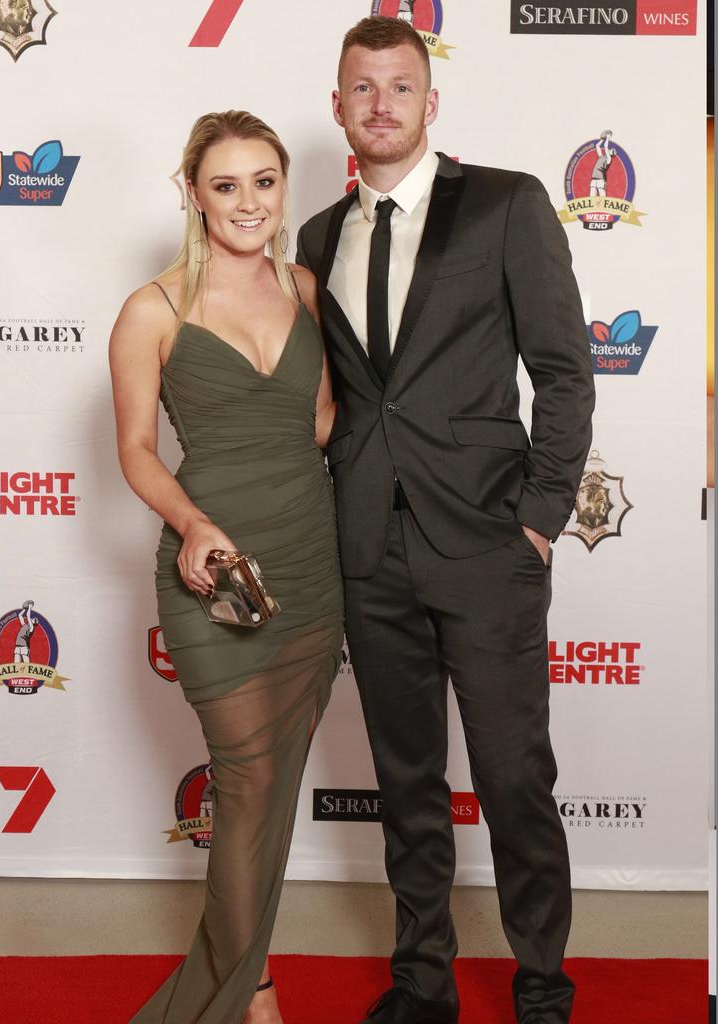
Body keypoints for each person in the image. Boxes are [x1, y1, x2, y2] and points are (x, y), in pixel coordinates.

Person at [296, 16, 595, 1024]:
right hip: (368, 551)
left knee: (516, 781)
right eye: (361, 87)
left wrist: (542, 516)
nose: (381, 103)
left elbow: (564, 372)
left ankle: (544, 990)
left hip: (487, 545)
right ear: (338, 106)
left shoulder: (507, 206)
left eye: (400, 85)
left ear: (431, 102)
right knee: (406, 782)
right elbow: (338, 402)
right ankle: (422, 982)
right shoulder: (314, 239)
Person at [110, 110, 343, 1024]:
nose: (248, 202)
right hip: (216, 572)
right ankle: (250, 999)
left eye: (264, 181)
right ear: (192, 194)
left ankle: (250, 984)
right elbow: (134, 449)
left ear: (284, 190)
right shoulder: (153, 309)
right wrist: (194, 522)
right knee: (245, 783)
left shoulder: (308, 289)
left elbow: (322, 419)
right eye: (225, 185)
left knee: (273, 792)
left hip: (310, 563)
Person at [590, 130, 615, 197]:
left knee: (603, 199)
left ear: (612, 154)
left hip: (600, 180)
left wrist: (608, 138)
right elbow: (597, 146)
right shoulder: (601, 156)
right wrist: (602, 139)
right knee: (591, 199)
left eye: (611, 151)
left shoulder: (608, 159)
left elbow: (605, 146)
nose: (610, 150)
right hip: (594, 179)